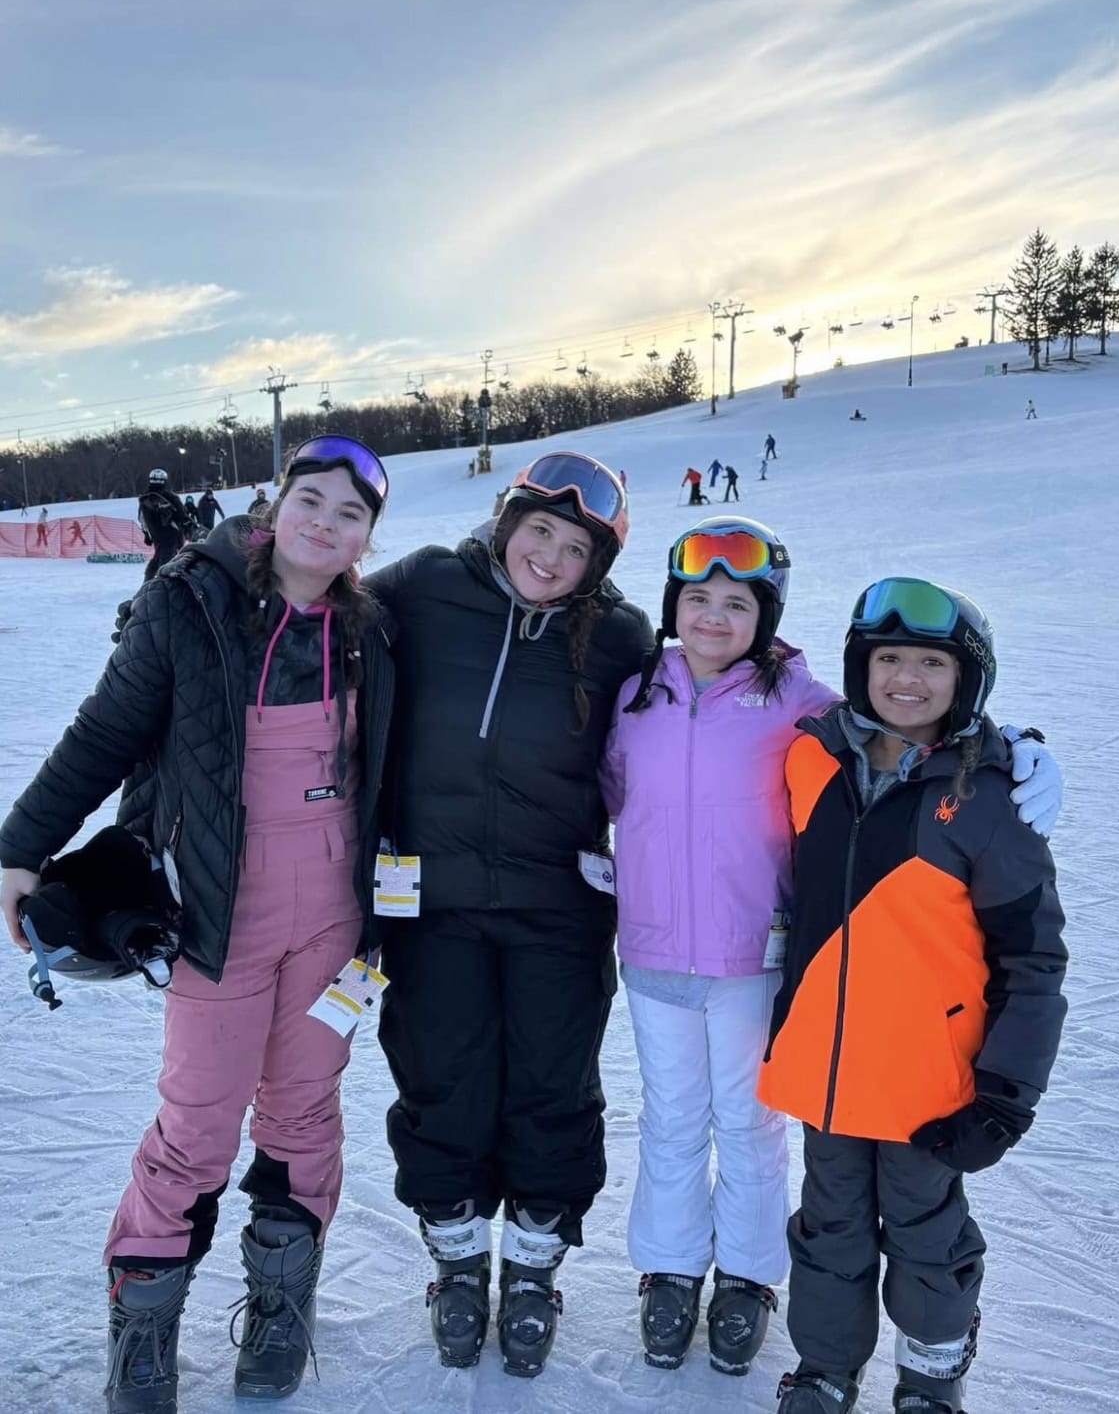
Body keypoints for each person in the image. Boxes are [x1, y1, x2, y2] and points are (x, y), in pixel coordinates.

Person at [598, 526, 1063, 1382]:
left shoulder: (798, 708)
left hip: (759, 961)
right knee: (671, 1121)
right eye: (698, 599)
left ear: (766, 617)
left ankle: (750, 1278)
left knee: (751, 1129)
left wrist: (1018, 750)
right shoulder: (637, 697)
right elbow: (593, 783)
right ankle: (672, 1269)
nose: (714, 617)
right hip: (663, 958)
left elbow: (925, 730)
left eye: (737, 603)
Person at [0, 434, 396, 1413]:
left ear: (366, 538)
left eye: (351, 513)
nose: (326, 524)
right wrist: (21, 847)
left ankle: (280, 1304)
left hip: (335, 919)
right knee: (198, 1125)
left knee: (304, 1110)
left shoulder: (372, 629)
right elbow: (105, 731)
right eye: (312, 499)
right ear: (276, 503)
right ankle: (143, 1325)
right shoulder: (191, 601)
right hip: (221, 911)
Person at [370, 450, 653, 1378]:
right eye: (540, 530)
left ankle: (533, 1267)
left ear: (596, 567)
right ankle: (457, 1259)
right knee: (441, 1077)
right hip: (430, 898)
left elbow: (711, 704)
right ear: (505, 523)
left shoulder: (619, 637)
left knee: (551, 1085)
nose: (550, 557)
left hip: (559, 906)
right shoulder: (423, 586)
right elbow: (314, 615)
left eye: (576, 549)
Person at [761, 577, 1068, 1414]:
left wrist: (1006, 1093)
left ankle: (932, 1371)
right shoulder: (811, 760)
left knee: (926, 1231)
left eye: (932, 663)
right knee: (829, 1227)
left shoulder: (990, 799)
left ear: (966, 679)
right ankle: (826, 1366)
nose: (906, 678)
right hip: (825, 1068)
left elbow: (1034, 959)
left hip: (928, 1082)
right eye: (888, 658)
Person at [137, 469, 191, 581]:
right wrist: (187, 527)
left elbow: (141, 519)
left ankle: (147, 581)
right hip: (171, 534)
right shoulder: (171, 497)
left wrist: (147, 535)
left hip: (156, 536)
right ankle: (160, 584)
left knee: (157, 559)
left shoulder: (144, 498)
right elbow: (182, 516)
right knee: (166, 562)